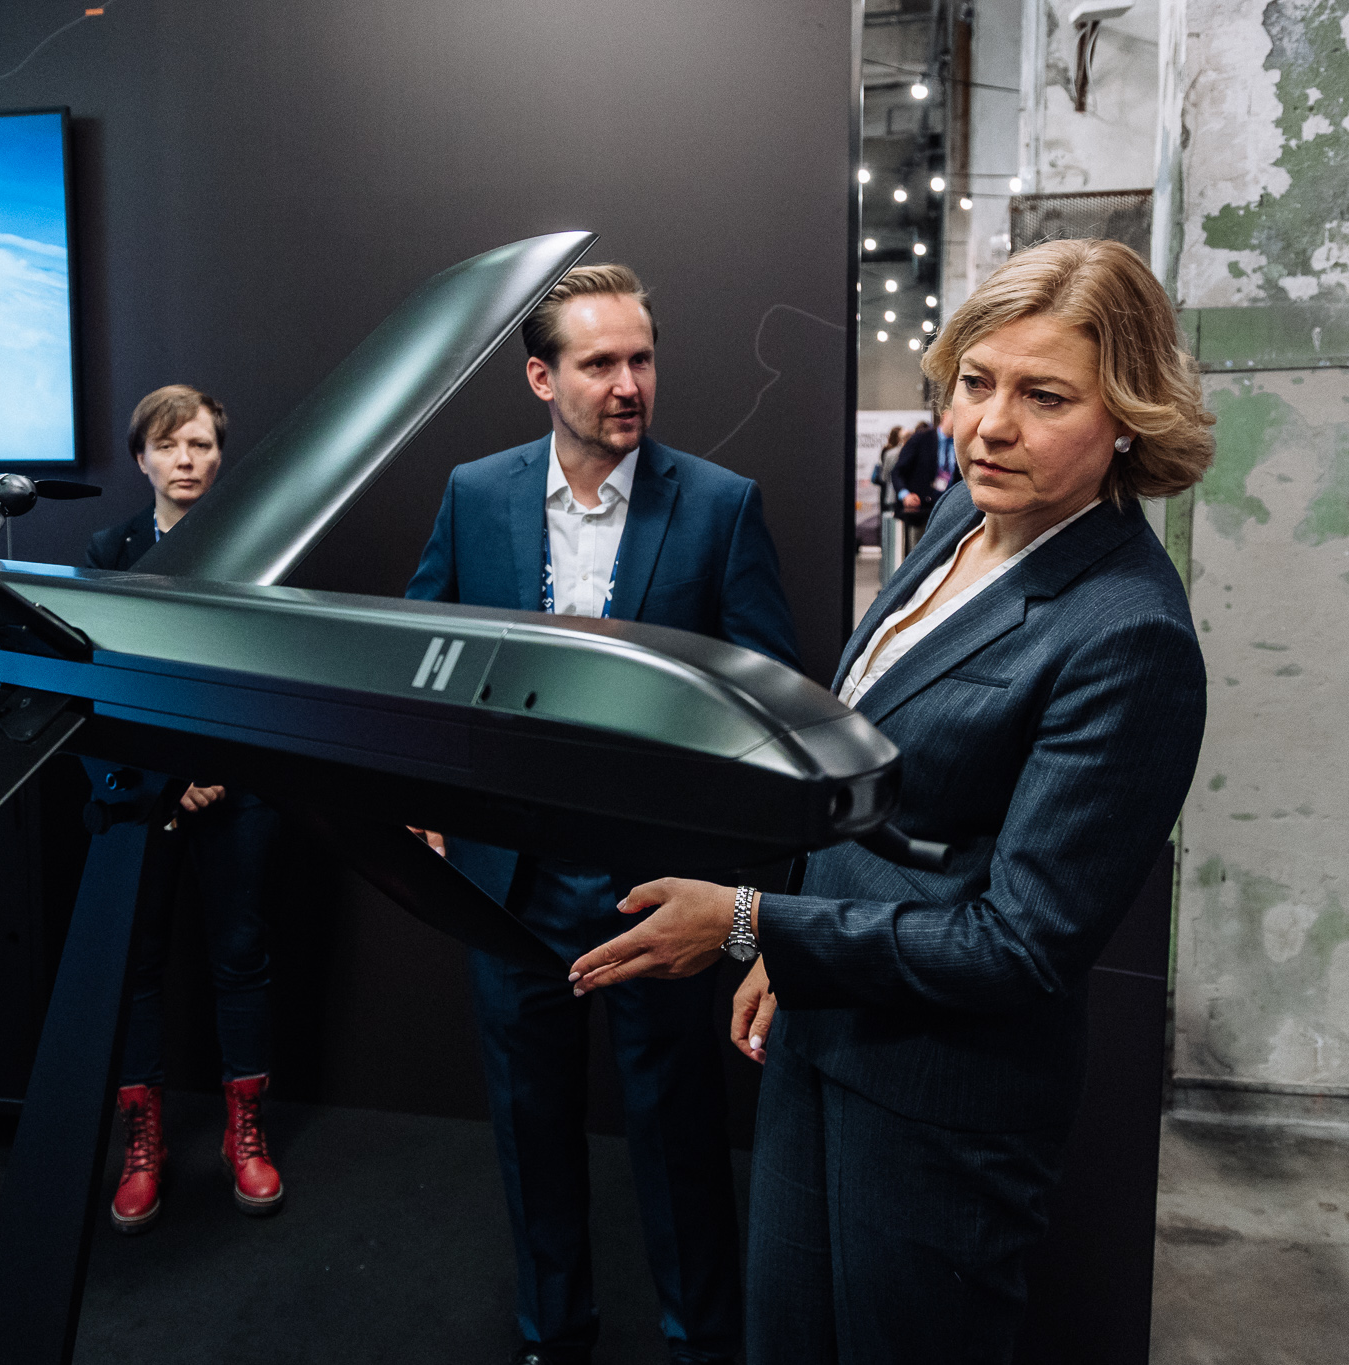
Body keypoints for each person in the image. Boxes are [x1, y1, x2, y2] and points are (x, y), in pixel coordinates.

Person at [566, 239, 1213, 1362]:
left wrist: (752, 923)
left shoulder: (1128, 634)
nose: (988, 426)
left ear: (1127, 416)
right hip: (827, 1029)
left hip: (943, 1103)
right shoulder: (966, 520)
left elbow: (1021, 943)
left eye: (1044, 396)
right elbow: (874, 803)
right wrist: (793, 952)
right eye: (975, 381)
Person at [405, 264, 801, 1365]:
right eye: (599, 363)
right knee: (530, 1130)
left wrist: (739, 880)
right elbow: (421, 655)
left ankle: (700, 1346)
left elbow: (769, 706)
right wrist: (420, 790)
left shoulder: (719, 505)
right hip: (507, 881)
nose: (628, 384)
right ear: (541, 377)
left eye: (641, 359)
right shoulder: (474, 494)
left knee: (677, 1138)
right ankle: (553, 1339)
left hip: (654, 887)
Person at [88, 384, 285, 1233]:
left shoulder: (263, 544)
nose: (186, 459)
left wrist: (214, 764)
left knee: (241, 956)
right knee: (137, 963)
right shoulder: (108, 550)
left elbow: (271, 674)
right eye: (169, 445)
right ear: (142, 458)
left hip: (237, 788)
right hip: (140, 792)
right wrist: (170, 775)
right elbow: (100, 684)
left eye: (201, 444)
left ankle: (247, 1131)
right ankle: (144, 1143)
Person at [889, 418, 939, 551]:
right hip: (919, 510)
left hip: (940, 507)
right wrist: (905, 495)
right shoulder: (919, 441)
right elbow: (896, 472)